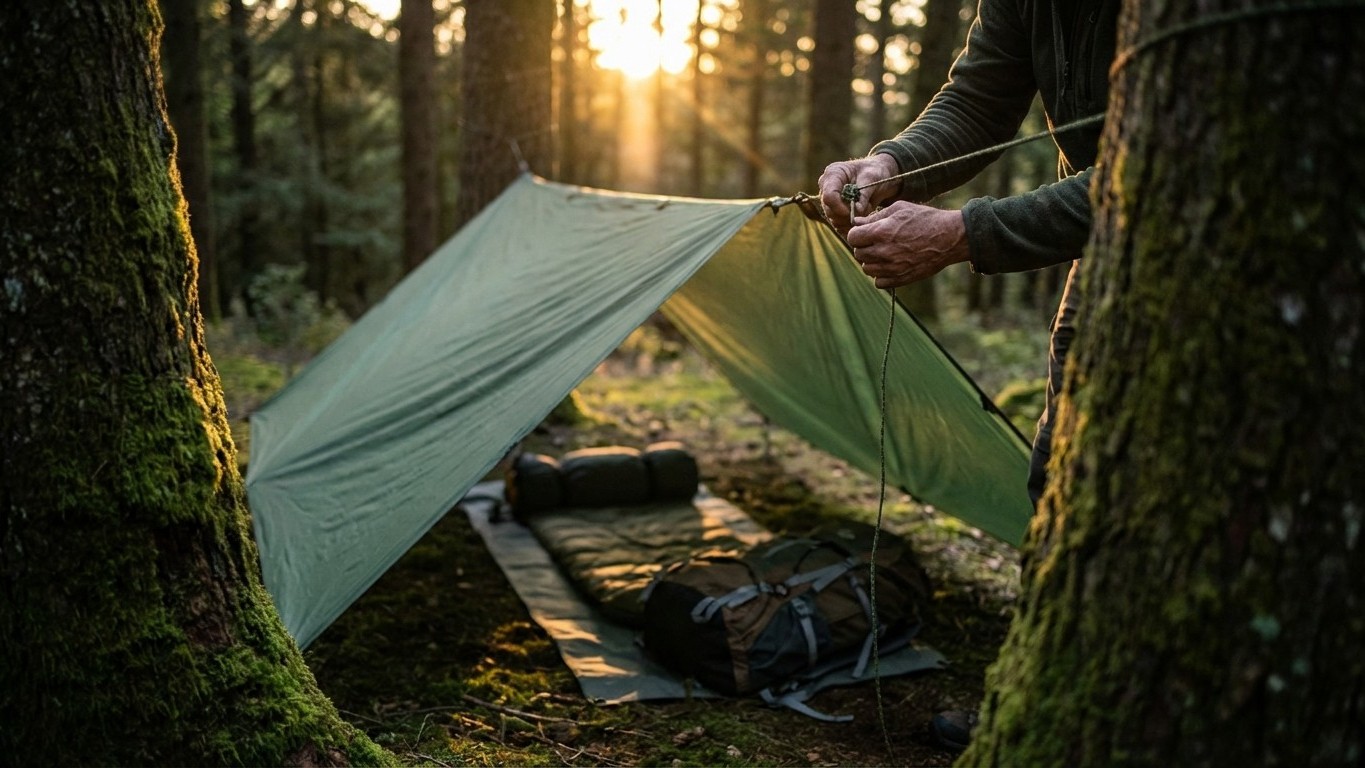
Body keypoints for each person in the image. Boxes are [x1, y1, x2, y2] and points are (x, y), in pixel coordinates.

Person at [817, 0, 1119, 752]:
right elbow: (980, 96)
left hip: (1256, 239)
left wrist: (964, 234)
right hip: (1110, 244)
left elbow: (1174, 162)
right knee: (1063, 475)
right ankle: (1052, 699)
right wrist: (890, 165)